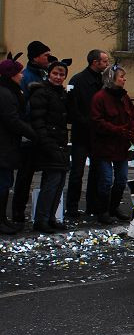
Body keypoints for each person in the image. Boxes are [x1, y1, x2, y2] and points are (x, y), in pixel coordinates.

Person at [27, 58, 72, 233]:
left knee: (60, 181)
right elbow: (39, 122)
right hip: (49, 143)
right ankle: (42, 218)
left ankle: (51, 216)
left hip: (59, 141)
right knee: (51, 182)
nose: (58, 77)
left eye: (62, 74)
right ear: (49, 74)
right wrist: (47, 142)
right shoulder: (41, 93)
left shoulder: (61, 93)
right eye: (55, 73)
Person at [10, 41, 53, 223]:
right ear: (36, 57)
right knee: (25, 175)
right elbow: (23, 107)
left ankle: (42, 212)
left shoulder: (44, 75)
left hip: (43, 132)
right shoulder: (26, 77)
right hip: (30, 134)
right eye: (46, 55)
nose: (49, 59)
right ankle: (18, 212)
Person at [65, 49, 108, 222]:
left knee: (96, 171)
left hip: (96, 134)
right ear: (95, 62)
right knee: (77, 172)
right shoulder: (78, 80)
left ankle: (92, 204)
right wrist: (87, 122)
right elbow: (72, 108)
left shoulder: (103, 80)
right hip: (82, 134)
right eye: (104, 61)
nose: (107, 64)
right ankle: (72, 207)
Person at [90, 64, 134, 225]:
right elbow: (97, 121)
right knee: (106, 180)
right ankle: (102, 210)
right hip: (105, 146)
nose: (124, 80)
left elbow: (131, 118)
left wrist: (132, 135)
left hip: (121, 146)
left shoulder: (124, 97)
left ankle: (114, 207)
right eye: (121, 77)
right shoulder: (100, 97)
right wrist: (118, 130)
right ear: (112, 79)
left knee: (121, 179)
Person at [0, 55, 35, 235]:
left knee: (5, 182)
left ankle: (3, 220)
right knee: (3, 183)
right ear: (10, 75)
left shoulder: (9, 91)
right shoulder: (6, 94)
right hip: (4, 147)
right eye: (19, 73)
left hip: (7, 146)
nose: (22, 76)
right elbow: (12, 120)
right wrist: (32, 133)